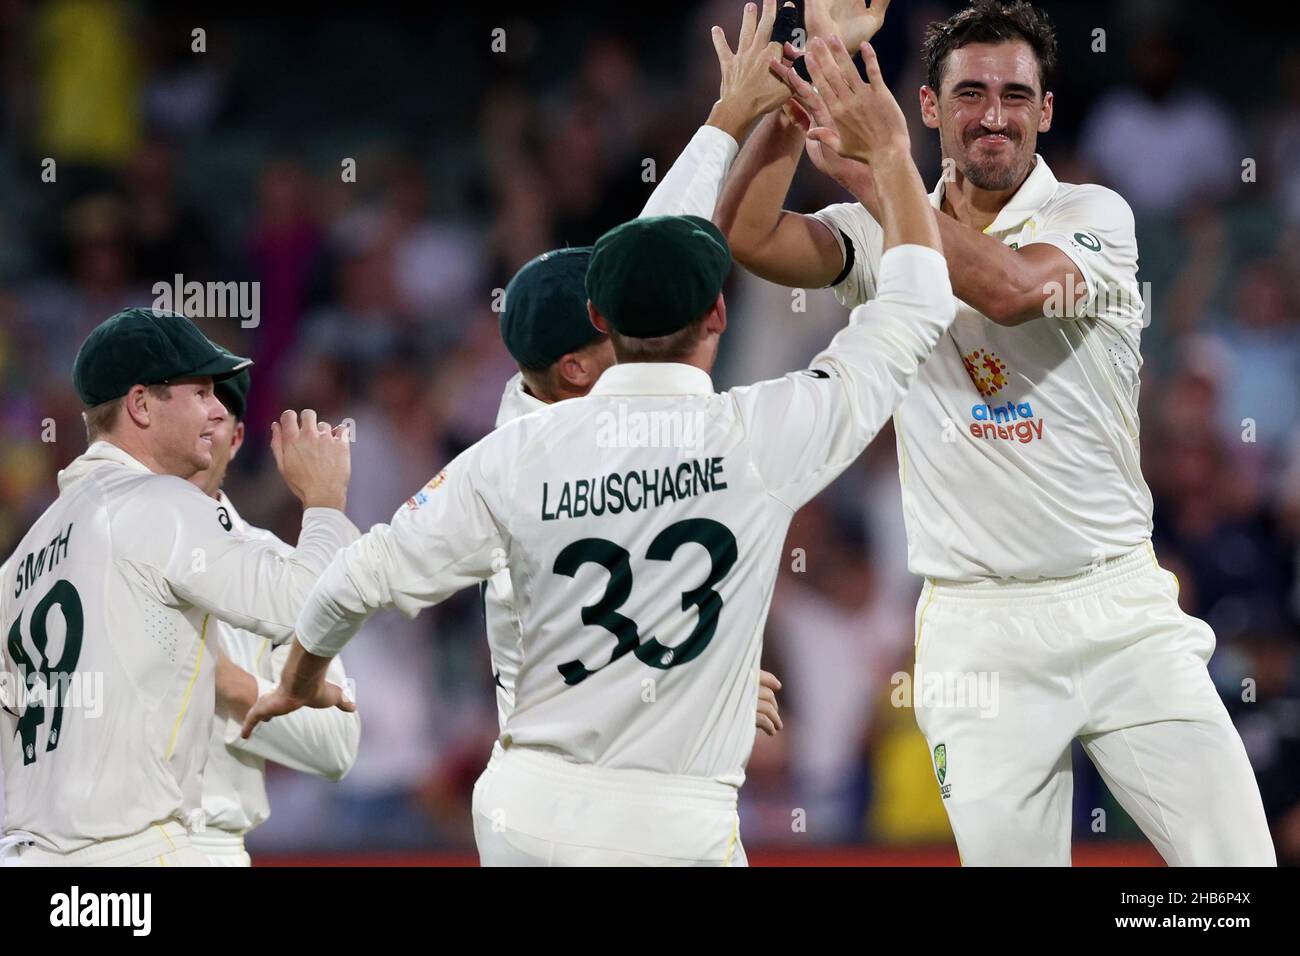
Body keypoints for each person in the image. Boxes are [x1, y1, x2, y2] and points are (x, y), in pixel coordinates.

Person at [243, 0, 955, 866]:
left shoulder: (513, 450)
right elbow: (913, 307)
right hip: (670, 818)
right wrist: (883, 151)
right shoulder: (756, 438)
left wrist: (295, 682)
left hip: (530, 811)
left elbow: (346, 586)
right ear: (716, 312)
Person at [715, 0, 1275, 864]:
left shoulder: (1096, 216)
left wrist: (878, 168)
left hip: (1119, 609)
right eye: (970, 92)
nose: (995, 114)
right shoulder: (878, 230)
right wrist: (808, 78)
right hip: (975, 629)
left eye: (1017, 94)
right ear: (932, 107)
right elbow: (744, 235)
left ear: (1046, 112)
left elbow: (1011, 289)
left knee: (1236, 873)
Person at [0, 307, 357, 866]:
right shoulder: (157, 503)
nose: (217, 411)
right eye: (202, 392)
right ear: (141, 405)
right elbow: (308, 604)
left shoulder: (23, 558)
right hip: (137, 852)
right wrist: (324, 500)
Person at [191, 365, 362, 867]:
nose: (199, 426)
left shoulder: (282, 571)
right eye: (182, 403)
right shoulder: (88, 542)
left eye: (212, 413)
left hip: (205, 844)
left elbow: (336, 743)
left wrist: (223, 682)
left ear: (237, 436)